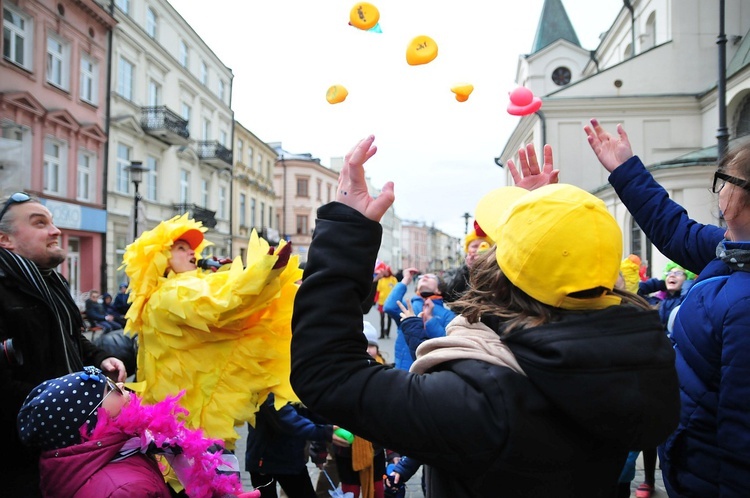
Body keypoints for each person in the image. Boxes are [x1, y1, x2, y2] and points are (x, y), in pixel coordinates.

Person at [289, 135, 679, 497]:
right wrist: (544, 226)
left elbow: (326, 373)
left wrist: (346, 230)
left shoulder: (481, 402)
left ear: (501, 279)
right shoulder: (639, 362)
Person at [585, 119, 750, 497]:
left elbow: (743, 434)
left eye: (724, 181)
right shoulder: (731, 251)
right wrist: (626, 170)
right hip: (692, 465)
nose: (719, 190)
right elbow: (675, 229)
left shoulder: (744, 305)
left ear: (742, 199)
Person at [121, 214, 301, 451]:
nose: (191, 252)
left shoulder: (176, 290)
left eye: (192, 248)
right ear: (160, 259)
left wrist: (228, 274)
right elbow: (221, 305)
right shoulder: (168, 295)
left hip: (190, 417)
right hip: (186, 422)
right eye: (181, 248)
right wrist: (262, 272)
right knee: (196, 484)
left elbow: (212, 302)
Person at [0, 191, 127, 497]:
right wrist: (74, 399)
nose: (56, 231)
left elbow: (74, 338)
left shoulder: (53, 283)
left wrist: (101, 359)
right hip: (19, 457)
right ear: (6, 240)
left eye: (53, 222)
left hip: (72, 445)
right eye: (40, 223)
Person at [17, 366, 256, 498]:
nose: (121, 385)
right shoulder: (127, 490)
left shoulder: (119, 450)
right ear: (92, 421)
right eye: (110, 388)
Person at [245, 392, 348, 498]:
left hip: (292, 457)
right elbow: (287, 421)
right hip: (264, 461)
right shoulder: (265, 388)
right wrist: (325, 432)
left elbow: (308, 411)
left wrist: (339, 423)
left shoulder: (291, 381)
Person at [383, 269, 455, 370]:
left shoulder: (448, 315)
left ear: (438, 290)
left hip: (429, 372)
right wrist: (406, 280)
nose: (424, 277)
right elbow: (389, 307)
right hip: (403, 371)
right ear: (417, 289)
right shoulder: (409, 307)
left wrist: (430, 320)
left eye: (431, 277)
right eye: (421, 278)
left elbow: (447, 343)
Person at [442, 220, 491, 304]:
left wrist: (488, 268)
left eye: (482, 246)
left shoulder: (496, 271)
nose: (478, 250)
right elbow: (448, 294)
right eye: (474, 246)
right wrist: (467, 268)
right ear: (467, 250)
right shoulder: (453, 272)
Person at [374, 263, 397, 338]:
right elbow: (378, 291)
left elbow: (396, 290)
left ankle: (388, 332)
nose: (386, 272)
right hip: (382, 302)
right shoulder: (381, 280)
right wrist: (375, 300)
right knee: (382, 318)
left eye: (387, 271)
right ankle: (382, 333)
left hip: (390, 301)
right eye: (385, 271)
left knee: (389, 318)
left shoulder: (393, 279)